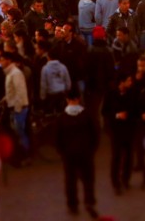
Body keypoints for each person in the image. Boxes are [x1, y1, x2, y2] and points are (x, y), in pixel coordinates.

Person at [55, 89, 99, 217]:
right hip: (85, 152)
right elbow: (95, 134)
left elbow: (57, 139)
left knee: (70, 181)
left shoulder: (61, 118)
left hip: (69, 154)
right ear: (79, 98)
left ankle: (72, 204)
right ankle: (89, 202)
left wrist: (62, 152)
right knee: (88, 180)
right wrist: (92, 149)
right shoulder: (87, 115)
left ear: (67, 100)